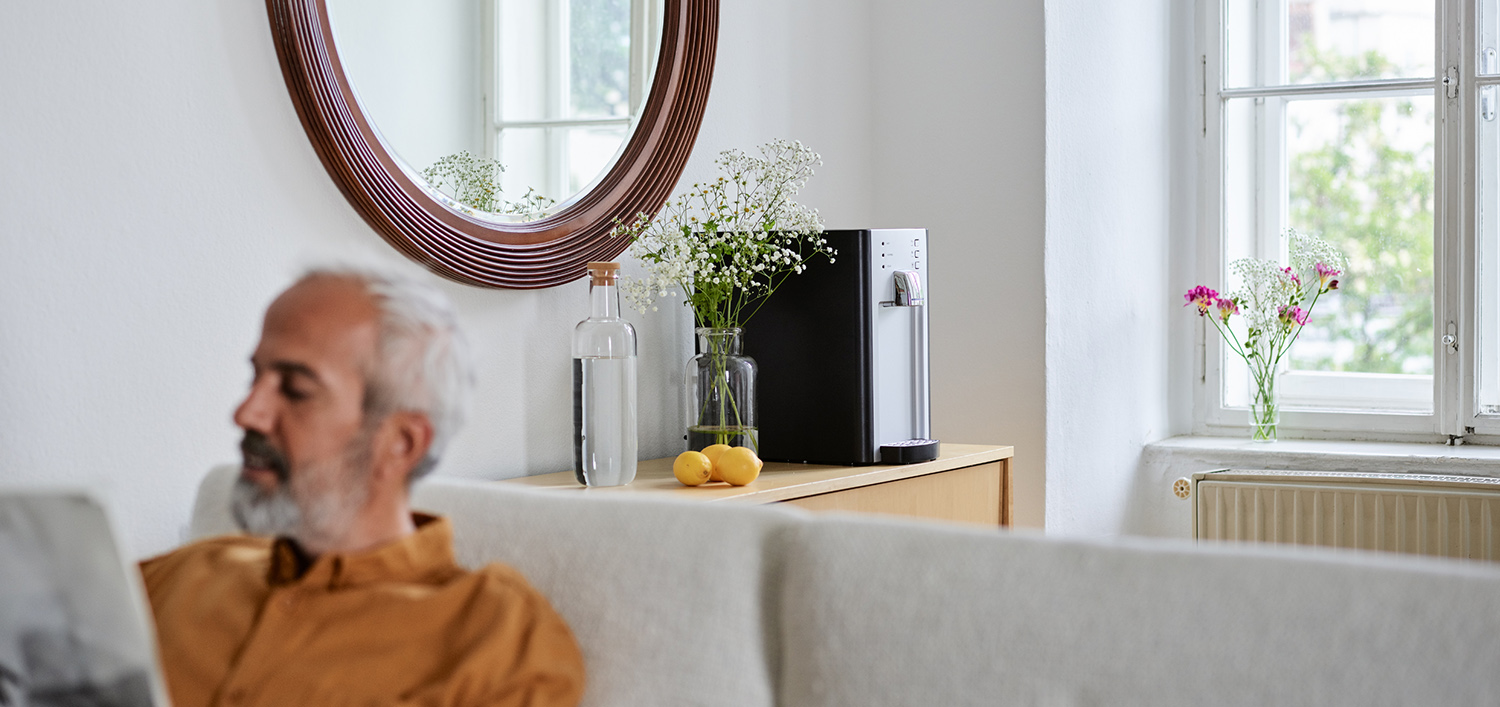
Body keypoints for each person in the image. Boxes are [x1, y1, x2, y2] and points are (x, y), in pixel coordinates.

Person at [140, 267, 585, 707]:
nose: (247, 412)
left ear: (399, 444)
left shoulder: (495, 640)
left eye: (295, 389)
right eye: (255, 379)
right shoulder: (174, 580)